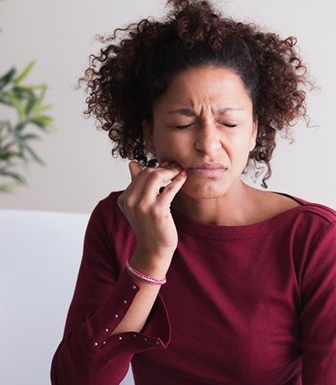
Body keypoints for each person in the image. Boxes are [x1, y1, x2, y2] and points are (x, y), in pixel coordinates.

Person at [51, 1, 336, 384]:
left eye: (229, 122)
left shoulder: (314, 239)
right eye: (184, 124)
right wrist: (150, 257)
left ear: (254, 130)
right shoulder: (119, 222)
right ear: (149, 133)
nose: (208, 144)